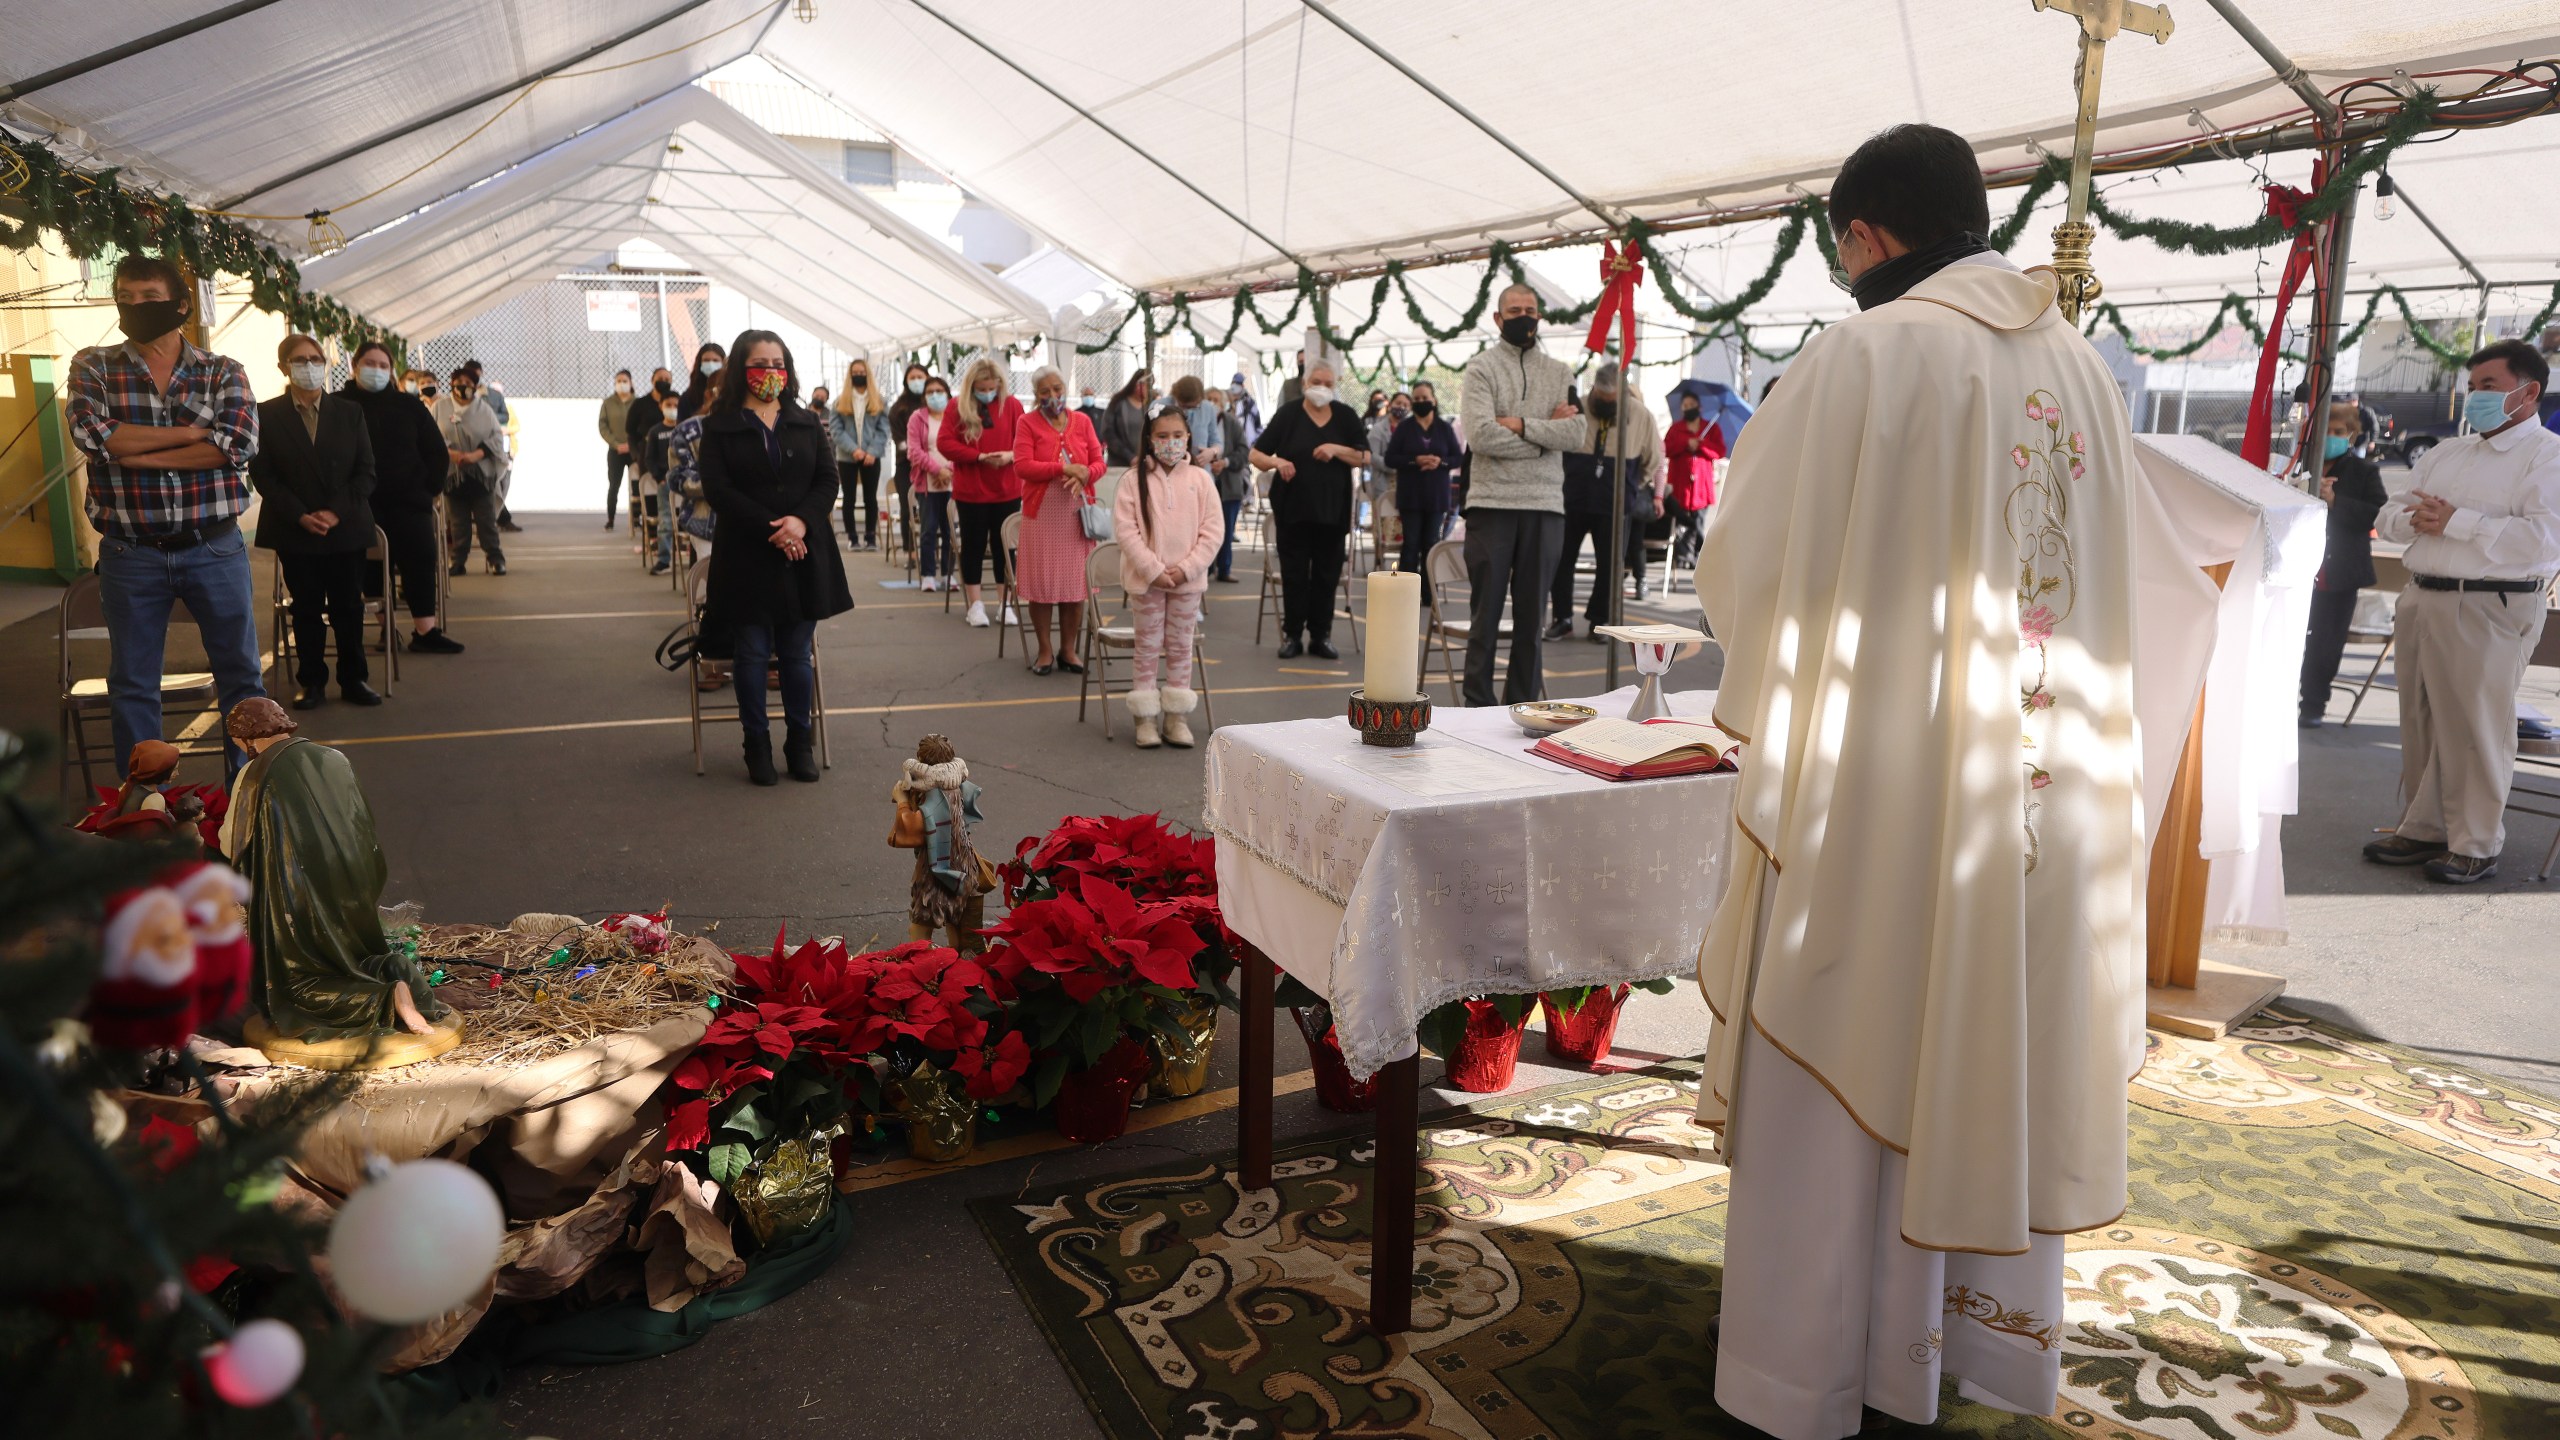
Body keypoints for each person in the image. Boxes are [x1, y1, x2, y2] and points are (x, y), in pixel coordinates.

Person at [1695, 123, 2210, 1437]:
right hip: (2037, 798)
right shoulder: (2083, 369)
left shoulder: (1861, 355)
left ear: (1866, 237)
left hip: (1883, 801)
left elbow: (1746, 560)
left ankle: (1804, 1377)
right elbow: (2157, 589)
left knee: (1841, 1053)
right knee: (1990, 1047)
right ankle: (1970, 1348)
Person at [2363, 339, 2559, 884]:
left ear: (2529, 391)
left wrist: (2458, 521)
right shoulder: (2448, 452)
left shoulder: (2548, 456)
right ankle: (2424, 828)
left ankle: (2475, 842)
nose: (2475, 398)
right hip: (2424, 593)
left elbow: (2544, 542)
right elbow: (2393, 513)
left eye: (2489, 387)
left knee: (2477, 725)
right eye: (2472, 388)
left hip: (2491, 601)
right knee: (2421, 717)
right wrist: (2417, 521)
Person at [63, 252, 266, 774]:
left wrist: (130, 451)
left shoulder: (223, 371)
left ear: (179, 305)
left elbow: (235, 445)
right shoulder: (93, 364)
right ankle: (146, 804)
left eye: (150, 299)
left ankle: (247, 794)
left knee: (241, 677)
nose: (136, 308)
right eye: (126, 299)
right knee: (133, 683)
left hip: (214, 546)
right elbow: (91, 433)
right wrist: (191, 435)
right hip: (131, 553)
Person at [221, 696, 447, 1040]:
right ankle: (394, 970)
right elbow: (361, 825)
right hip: (352, 889)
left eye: (237, 741)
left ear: (247, 737)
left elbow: (232, 843)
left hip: (298, 904)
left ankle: (384, 998)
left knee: (295, 989)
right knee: (355, 957)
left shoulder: (253, 775)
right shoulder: (333, 758)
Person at [695, 330, 853, 786]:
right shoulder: (719, 426)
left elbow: (827, 480)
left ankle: (798, 742)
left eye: (777, 363)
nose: (770, 372)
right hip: (747, 555)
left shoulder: (806, 421)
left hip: (805, 552)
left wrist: (800, 523)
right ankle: (756, 744)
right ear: (741, 369)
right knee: (752, 652)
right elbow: (719, 490)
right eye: (760, 363)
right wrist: (775, 529)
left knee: (796, 655)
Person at [1458, 283, 1582, 705]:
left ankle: (1523, 708)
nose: (1523, 316)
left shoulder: (1561, 372)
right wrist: (1546, 432)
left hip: (1546, 507)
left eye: (1530, 309)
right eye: (1514, 310)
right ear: (1498, 318)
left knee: (1532, 621)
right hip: (1491, 505)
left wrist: (1519, 424)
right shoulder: (1481, 369)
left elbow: (1577, 432)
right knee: (1485, 618)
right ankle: (1477, 708)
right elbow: (1480, 436)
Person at [250, 333, 380, 709]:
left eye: (315, 359)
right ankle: (312, 681)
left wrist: (335, 511)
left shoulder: (350, 413)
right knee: (305, 608)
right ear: (283, 367)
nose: (309, 366)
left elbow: (366, 472)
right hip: (295, 530)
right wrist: (301, 515)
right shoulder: (267, 414)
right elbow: (265, 475)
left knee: (347, 607)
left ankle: (354, 678)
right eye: (300, 360)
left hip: (346, 528)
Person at [1113, 409, 1225, 748]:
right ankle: (1145, 718)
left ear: (1188, 437)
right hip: (1148, 581)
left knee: (1179, 647)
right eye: (1162, 436)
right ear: (1150, 439)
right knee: (1146, 647)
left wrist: (1187, 568)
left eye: (1177, 435)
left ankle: (1176, 718)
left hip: (1187, 582)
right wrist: (1154, 570)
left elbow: (1213, 530)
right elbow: (1126, 530)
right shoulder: (1133, 480)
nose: (1170, 443)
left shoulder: (1201, 479)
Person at [340, 343, 460, 655]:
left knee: (420, 560)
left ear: (391, 370)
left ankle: (426, 630)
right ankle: (386, 627)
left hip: (410, 503)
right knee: (371, 568)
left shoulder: (409, 406)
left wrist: (427, 490)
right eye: (370, 363)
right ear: (354, 366)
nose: (376, 370)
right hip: (361, 504)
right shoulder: (339, 405)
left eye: (383, 365)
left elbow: (436, 452)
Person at [1248, 359, 1370, 659]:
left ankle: (1321, 635)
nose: (1322, 388)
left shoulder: (1345, 416)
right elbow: (1256, 453)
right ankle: (1292, 635)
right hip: (1293, 511)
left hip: (1333, 511)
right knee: (1295, 574)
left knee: (1327, 576)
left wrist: (1335, 448)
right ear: (1304, 384)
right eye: (1316, 382)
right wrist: (1278, 462)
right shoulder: (1288, 415)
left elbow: (1364, 456)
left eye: (1328, 383)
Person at [1548, 361, 1664, 639]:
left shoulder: (1640, 415)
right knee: (1561, 559)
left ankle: (1599, 621)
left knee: (1610, 564)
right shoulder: (1578, 406)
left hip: (1615, 501)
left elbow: (1653, 459)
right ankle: (1562, 617)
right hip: (1572, 497)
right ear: (1594, 390)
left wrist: (1632, 486)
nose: (1604, 403)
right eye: (1601, 398)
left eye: (1611, 400)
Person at [2297, 401, 2389, 729]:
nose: (2332, 437)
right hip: (2298, 568)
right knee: (2292, 635)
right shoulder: (2300, 465)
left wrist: (2337, 502)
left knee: (2325, 642)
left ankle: (2313, 704)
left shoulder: (2364, 472)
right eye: (2327, 430)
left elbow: (2378, 514)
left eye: (2340, 432)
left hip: (2338, 572)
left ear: (2351, 436)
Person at [1009, 366, 1104, 675]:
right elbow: (1023, 466)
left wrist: (1086, 473)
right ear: (1036, 395)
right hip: (1041, 515)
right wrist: (1063, 469)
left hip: (1076, 514)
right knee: (1042, 586)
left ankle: (1068, 650)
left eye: (1058, 389)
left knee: (1075, 586)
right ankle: (1045, 650)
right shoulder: (1027, 422)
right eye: (1046, 391)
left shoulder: (1083, 421)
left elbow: (1098, 462)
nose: (1053, 396)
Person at [938, 357, 1026, 628]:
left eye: (992, 386)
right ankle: (975, 604)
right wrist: (978, 457)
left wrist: (1011, 455)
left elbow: (1024, 440)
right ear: (971, 385)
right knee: (973, 546)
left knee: (1005, 549)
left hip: (1007, 489)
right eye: (982, 387)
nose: (987, 392)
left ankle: (1004, 603)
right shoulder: (956, 406)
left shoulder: (1011, 405)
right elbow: (945, 443)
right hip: (971, 491)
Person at [1385, 383, 1463, 593]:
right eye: (1416, 399)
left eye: (1424, 398)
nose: (1421, 402)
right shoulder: (1405, 427)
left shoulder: (1444, 428)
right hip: (1410, 495)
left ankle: (1430, 593)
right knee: (1411, 544)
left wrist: (1441, 462)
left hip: (1437, 495)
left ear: (1434, 400)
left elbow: (1457, 457)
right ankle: (1405, 592)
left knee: (1431, 542)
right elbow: (1391, 458)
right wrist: (1415, 460)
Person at [438, 367, 509, 576]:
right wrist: (452, 454)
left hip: (480, 474)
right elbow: (432, 435)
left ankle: (495, 558)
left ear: (476, 386)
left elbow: (496, 437)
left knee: (486, 520)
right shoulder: (440, 407)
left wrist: (474, 455)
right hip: (453, 473)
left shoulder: (484, 409)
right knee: (458, 522)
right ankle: (457, 560)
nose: (463, 386)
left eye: (468, 383)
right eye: (458, 381)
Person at [830, 358, 892, 551]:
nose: (859, 375)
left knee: (870, 498)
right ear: (850, 375)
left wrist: (871, 452)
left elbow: (884, 430)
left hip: (872, 456)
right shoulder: (840, 402)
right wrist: (854, 450)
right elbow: (836, 430)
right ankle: (853, 538)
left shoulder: (879, 401)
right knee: (848, 497)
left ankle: (871, 537)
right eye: (855, 372)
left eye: (861, 372)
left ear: (868, 374)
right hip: (847, 456)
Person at [1664, 390, 1725, 572]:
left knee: (1698, 522)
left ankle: (1698, 554)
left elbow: (1720, 451)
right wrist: (1685, 444)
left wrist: (1702, 445)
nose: (1688, 408)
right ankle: (1683, 554)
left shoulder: (1711, 428)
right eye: (1685, 406)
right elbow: (1666, 448)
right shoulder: (1676, 428)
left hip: (1701, 485)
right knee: (1682, 521)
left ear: (1699, 407)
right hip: (1680, 483)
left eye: (1691, 405)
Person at [906, 375, 957, 591]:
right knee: (929, 529)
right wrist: (937, 470)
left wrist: (950, 471)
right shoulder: (917, 418)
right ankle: (928, 574)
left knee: (950, 530)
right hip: (927, 483)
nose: (934, 395)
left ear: (947, 393)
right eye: (930, 392)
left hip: (953, 483)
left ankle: (948, 574)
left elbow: (965, 446)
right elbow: (914, 450)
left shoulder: (956, 417)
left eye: (939, 390)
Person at [460, 360, 519, 532]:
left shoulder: (494, 395)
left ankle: (499, 517)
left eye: (476, 373)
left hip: (493, 446)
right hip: (469, 447)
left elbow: (504, 416)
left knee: (500, 483)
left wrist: (489, 418)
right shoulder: (458, 396)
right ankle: (497, 520)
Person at [888, 361, 932, 558]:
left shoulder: (932, 404)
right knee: (908, 507)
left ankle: (932, 550)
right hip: (906, 465)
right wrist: (918, 453)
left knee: (931, 509)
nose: (917, 381)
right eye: (912, 378)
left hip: (933, 466)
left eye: (920, 377)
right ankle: (910, 550)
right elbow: (900, 442)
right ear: (906, 381)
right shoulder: (899, 408)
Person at [625, 365, 675, 532]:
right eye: (660, 379)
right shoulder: (641, 404)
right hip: (648, 457)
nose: (663, 382)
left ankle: (675, 537)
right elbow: (630, 431)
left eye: (667, 379)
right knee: (651, 498)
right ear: (652, 380)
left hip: (670, 458)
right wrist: (636, 453)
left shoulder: (676, 402)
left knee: (674, 501)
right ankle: (652, 535)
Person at [1210, 387, 1252, 583]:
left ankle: (1224, 568)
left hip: (1229, 484)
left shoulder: (1232, 423)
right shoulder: (1197, 422)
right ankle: (1206, 568)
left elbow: (1244, 451)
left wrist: (1225, 462)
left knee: (1227, 528)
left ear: (1224, 403)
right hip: (1206, 482)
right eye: (1208, 399)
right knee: (1206, 529)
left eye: (1216, 400)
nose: (1212, 403)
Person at [599, 368, 635, 529]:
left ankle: (637, 519)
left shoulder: (637, 402)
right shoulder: (608, 403)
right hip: (615, 451)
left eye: (625, 381)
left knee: (636, 485)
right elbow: (603, 425)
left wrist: (632, 445)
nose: (622, 384)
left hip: (634, 450)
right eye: (619, 381)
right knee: (614, 485)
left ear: (631, 383)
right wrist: (615, 444)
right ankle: (611, 518)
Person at [1101, 370, 1153, 468]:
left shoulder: (1150, 407)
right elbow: (1108, 433)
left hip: (1143, 464)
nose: (1148, 389)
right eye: (1146, 385)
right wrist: (1130, 457)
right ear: (1137, 384)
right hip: (1120, 463)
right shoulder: (1117, 403)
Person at [678, 341, 725, 421]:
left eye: (715, 360)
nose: (711, 364)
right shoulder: (688, 397)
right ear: (699, 363)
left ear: (723, 363)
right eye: (706, 360)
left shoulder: (731, 391)